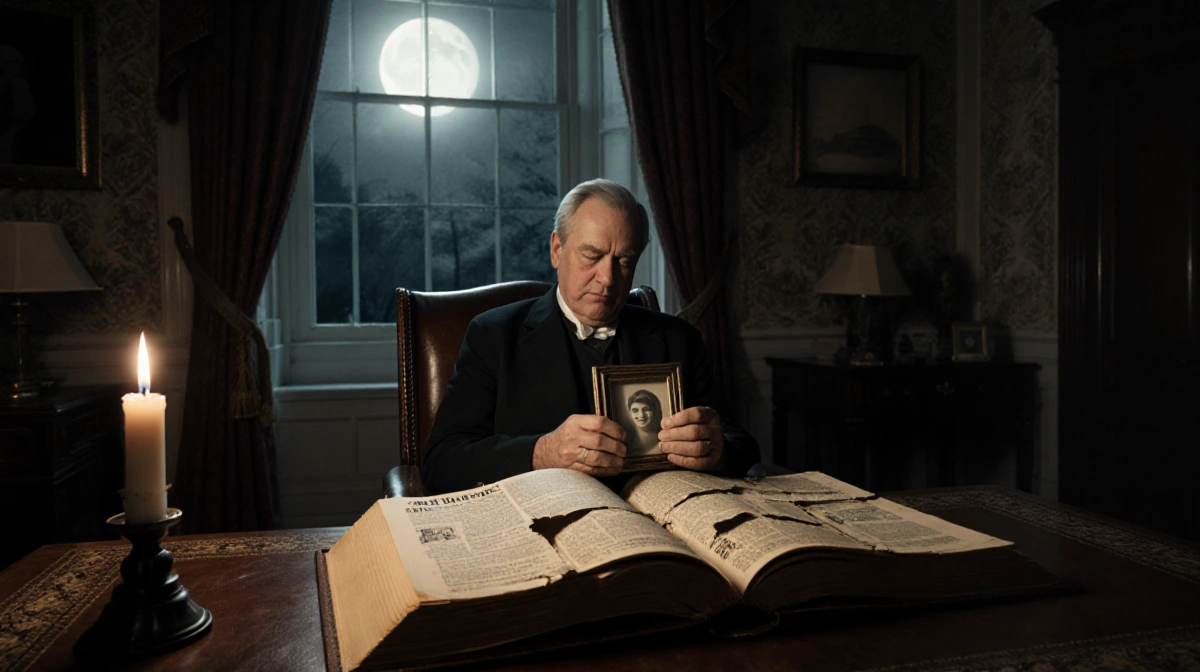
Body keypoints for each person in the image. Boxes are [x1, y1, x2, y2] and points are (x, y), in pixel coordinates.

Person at [421, 178, 759, 494]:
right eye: (592, 256)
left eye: (624, 261)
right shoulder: (492, 335)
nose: (608, 278)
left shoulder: (679, 338)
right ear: (556, 249)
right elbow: (440, 462)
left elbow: (741, 443)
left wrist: (717, 449)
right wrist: (542, 452)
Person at [625, 389, 662, 456]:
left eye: (646, 409)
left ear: (654, 410)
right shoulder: (627, 442)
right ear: (630, 413)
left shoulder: (663, 440)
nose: (641, 415)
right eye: (635, 410)